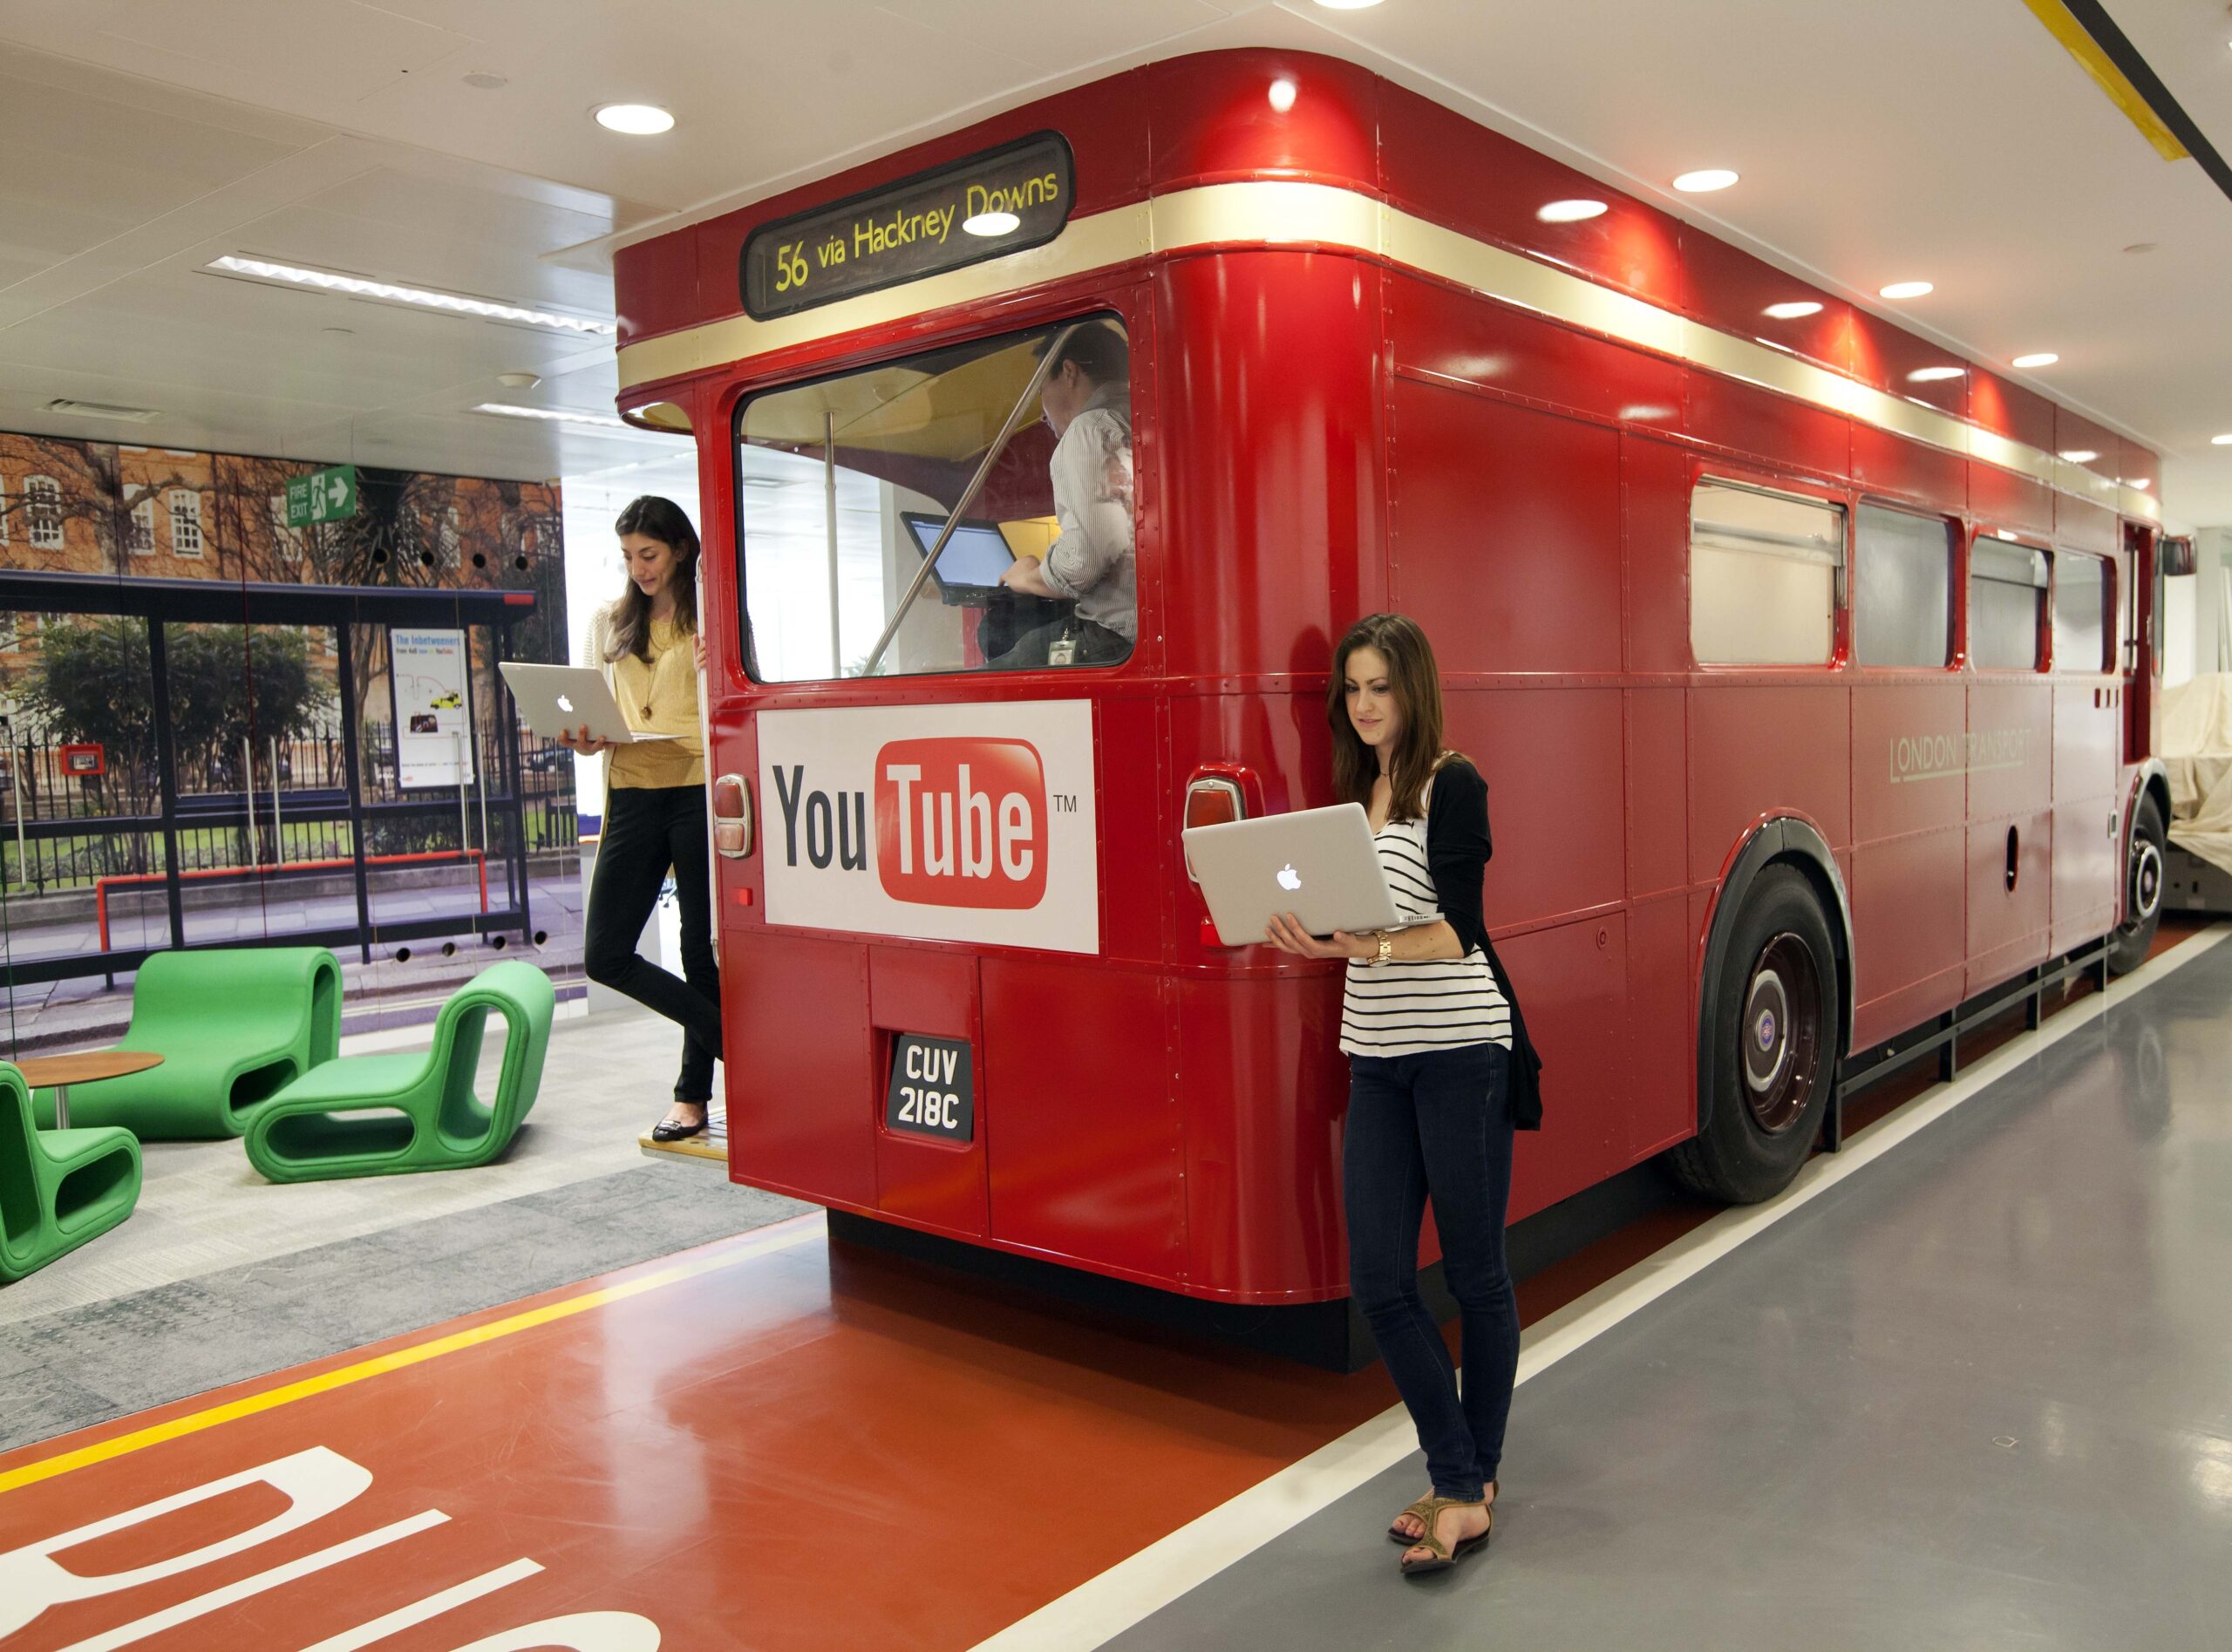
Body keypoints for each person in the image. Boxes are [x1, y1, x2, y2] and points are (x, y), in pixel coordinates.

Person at [1263, 612, 1544, 1578]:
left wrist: (1366, 946)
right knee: (1380, 1280)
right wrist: (1312, 932)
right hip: (1376, 1052)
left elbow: (1460, 930)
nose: (1364, 703)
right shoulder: (1359, 793)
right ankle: (1461, 1479)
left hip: (1461, 1048)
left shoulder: (1449, 783)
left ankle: (1467, 1485)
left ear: (1413, 687)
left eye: (1379, 684)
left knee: (1474, 1275)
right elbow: (1362, 917)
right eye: (1351, 687)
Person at [560, 496, 724, 1142]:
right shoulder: (611, 620)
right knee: (605, 952)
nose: (639, 568)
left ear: (679, 548)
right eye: (629, 556)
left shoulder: (709, 613)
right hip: (630, 787)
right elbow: (589, 699)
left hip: (698, 785)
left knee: (697, 951)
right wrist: (584, 734)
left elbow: (741, 695)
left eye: (648, 554)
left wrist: (725, 669)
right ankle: (736, 1043)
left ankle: (691, 1097)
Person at [990, 323, 1134, 667]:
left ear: (1068, 372)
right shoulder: (1145, 418)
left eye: (1042, 390)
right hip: (1149, 631)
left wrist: (1027, 575)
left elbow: (1085, 560)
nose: (1042, 414)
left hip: (1115, 638)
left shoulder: (1089, 430)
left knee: (982, 675)